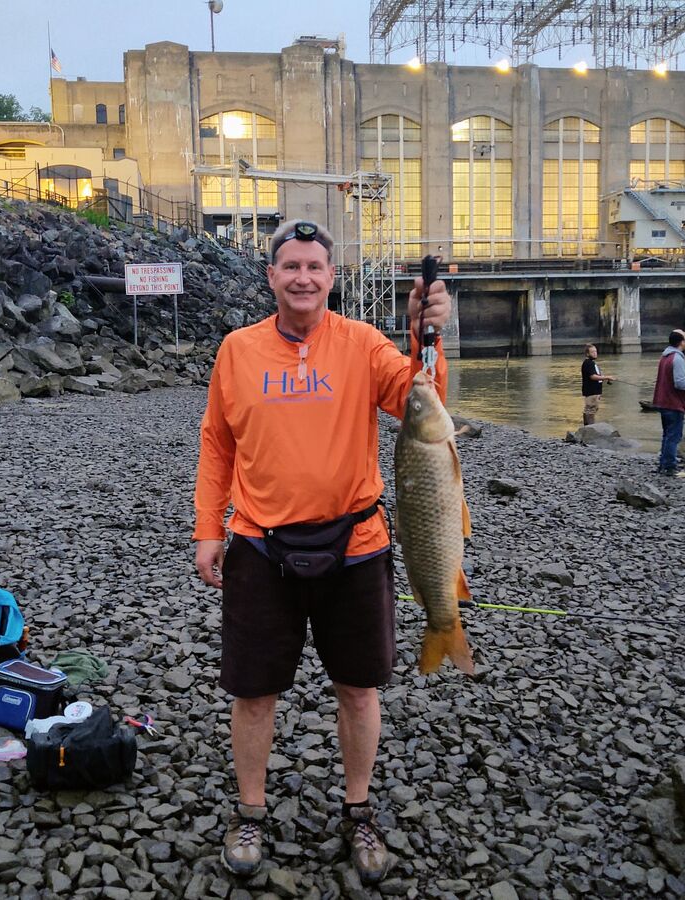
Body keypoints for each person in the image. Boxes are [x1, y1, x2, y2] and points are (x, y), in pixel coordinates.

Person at [192, 220, 452, 885]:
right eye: (290, 267)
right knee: (253, 693)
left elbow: (424, 404)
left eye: (315, 266)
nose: (303, 277)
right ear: (271, 276)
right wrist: (207, 529)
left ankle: (358, 810)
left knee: (358, 690)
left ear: (331, 278)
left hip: (357, 546)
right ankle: (250, 813)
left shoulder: (362, 344)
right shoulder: (237, 350)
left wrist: (432, 335)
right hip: (258, 545)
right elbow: (218, 445)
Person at [652, 329, 685, 475]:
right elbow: (679, 383)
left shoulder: (665, 356)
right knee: (673, 436)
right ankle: (670, 467)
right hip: (673, 403)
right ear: (681, 343)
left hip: (663, 402)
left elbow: (672, 378)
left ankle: (664, 464)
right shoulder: (677, 358)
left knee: (667, 435)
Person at [580, 343, 614, 425]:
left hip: (593, 391)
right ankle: (591, 429)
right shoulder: (589, 363)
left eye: (596, 351)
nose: (595, 353)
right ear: (587, 354)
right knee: (591, 409)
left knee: (589, 409)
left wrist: (606, 378)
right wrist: (606, 377)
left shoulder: (591, 363)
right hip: (592, 391)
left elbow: (597, 376)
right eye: (593, 352)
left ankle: (587, 428)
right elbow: (593, 377)